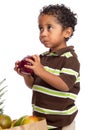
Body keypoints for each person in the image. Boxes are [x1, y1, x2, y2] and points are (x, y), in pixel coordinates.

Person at [14, 4, 80, 130]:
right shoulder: (42, 58)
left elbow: (65, 86)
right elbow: (34, 85)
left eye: (49, 28)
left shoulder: (70, 59)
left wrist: (41, 70)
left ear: (67, 32)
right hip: (40, 122)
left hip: (62, 124)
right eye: (41, 28)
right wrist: (26, 75)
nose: (43, 33)